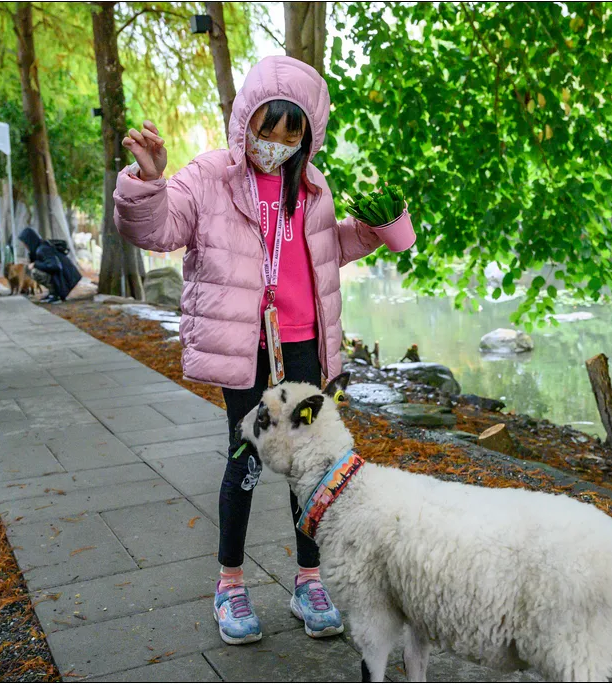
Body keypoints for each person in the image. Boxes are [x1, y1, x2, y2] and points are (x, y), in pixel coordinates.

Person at [113, 55, 415, 647]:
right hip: (248, 350)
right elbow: (157, 229)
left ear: (308, 134)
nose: (274, 142)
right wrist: (146, 183)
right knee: (247, 462)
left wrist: (383, 226)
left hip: (305, 346)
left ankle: (309, 581)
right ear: (244, 119)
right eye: (265, 127)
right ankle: (230, 584)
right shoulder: (209, 178)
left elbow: (330, 248)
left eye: (290, 131)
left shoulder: (314, 188)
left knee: (314, 467)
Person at [17, 228, 81, 303]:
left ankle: (57, 294)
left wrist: (35, 264)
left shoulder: (43, 249)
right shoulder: (39, 248)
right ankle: (53, 293)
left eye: (25, 242)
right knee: (29, 269)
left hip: (66, 279)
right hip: (66, 277)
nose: (24, 245)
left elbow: (54, 266)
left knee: (34, 271)